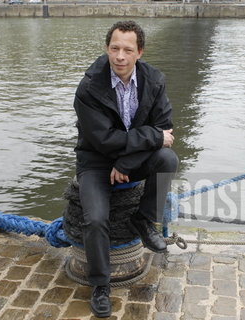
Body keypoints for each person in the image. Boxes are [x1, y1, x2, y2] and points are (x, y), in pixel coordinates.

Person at [73, 20, 178, 318]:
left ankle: (144, 220)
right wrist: (152, 138)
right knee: (94, 220)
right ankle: (100, 286)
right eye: (114, 48)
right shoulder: (89, 88)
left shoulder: (154, 81)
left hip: (128, 158)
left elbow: (163, 127)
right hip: (95, 161)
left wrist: (126, 163)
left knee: (168, 160)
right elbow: (104, 140)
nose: (119, 56)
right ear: (107, 49)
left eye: (127, 50)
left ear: (139, 52)